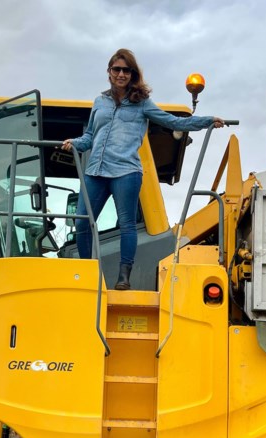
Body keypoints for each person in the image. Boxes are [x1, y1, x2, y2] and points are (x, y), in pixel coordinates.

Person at [62, 48, 224, 290]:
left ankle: (124, 275)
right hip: (96, 171)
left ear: (133, 74)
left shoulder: (142, 104)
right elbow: (90, 137)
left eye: (126, 70)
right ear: (109, 72)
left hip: (126, 172)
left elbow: (173, 122)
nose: (121, 74)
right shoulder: (100, 102)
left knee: (127, 223)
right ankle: (87, 271)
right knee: (83, 222)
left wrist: (206, 121)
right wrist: (75, 143)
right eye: (117, 69)